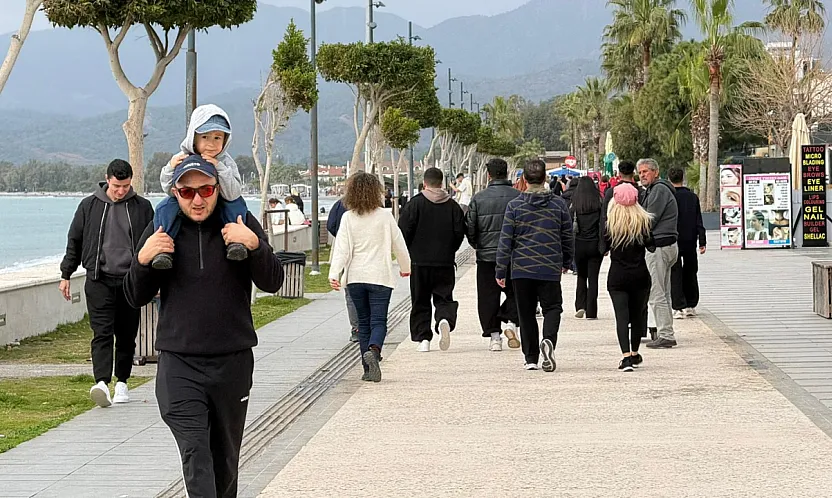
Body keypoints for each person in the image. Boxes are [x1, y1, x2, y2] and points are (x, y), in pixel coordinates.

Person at [124, 155, 284, 497]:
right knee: (196, 453)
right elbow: (134, 296)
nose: (197, 200)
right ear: (175, 192)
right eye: (187, 192)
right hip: (179, 364)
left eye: (206, 190)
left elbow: (273, 281)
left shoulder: (239, 223)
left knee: (225, 462)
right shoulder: (163, 228)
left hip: (232, 362)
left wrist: (255, 245)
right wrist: (142, 259)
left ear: (218, 189)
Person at [59, 159, 154, 408]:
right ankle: (101, 382)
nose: (121, 191)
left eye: (125, 186)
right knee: (101, 332)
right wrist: (66, 274)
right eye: (116, 186)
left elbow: (154, 243)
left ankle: (122, 382)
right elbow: (75, 241)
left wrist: (154, 278)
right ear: (107, 179)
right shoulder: (89, 206)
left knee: (126, 334)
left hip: (130, 281)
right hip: (98, 279)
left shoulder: (142, 207)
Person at [329, 172, 411, 382]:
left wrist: (334, 273)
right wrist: (405, 267)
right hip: (380, 277)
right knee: (378, 321)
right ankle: (374, 351)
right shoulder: (385, 216)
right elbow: (399, 244)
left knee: (363, 324)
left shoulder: (348, 218)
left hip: (355, 278)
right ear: (376, 192)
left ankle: (367, 370)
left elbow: (341, 250)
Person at [496, 159, 573, 372]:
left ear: (524, 179)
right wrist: (567, 261)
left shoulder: (514, 206)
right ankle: (548, 339)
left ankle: (531, 358)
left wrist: (501, 269)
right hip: (550, 265)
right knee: (553, 307)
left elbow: (505, 241)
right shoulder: (558, 204)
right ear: (545, 178)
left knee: (526, 313)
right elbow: (567, 236)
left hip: (521, 268)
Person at [154, 104, 248, 270]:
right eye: (205, 137)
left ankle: (236, 242)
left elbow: (233, 193)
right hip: (185, 206)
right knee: (164, 207)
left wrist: (220, 168)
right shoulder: (181, 158)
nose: (211, 144)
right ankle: (163, 246)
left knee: (237, 204)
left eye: (217, 138)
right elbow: (167, 189)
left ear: (225, 140)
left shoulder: (226, 162)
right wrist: (170, 167)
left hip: (222, 199)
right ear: (193, 137)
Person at [399, 167, 466, 352]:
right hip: (445, 262)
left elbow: (403, 232)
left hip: (419, 262)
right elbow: (459, 233)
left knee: (420, 300)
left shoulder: (414, 204)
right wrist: (450, 250)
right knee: (444, 297)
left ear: (424, 183)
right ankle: (444, 319)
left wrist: (408, 254)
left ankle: (423, 340)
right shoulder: (453, 206)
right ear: (442, 183)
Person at [465, 158, 521, 352]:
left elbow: (470, 228)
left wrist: (478, 245)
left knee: (488, 296)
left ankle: (494, 337)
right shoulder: (519, 197)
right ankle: (511, 322)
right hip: (514, 256)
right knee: (517, 292)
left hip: (487, 256)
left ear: (488, 175)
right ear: (506, 173)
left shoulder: (478, 199)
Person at [603, 183, 654, 372]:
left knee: (621, 317)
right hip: (640, 275)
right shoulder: (643, 223)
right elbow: (652, 246)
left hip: (617, 276)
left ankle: (625, 357)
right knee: (637, 316)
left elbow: (602, 248)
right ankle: (634, 353)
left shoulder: (611, 225)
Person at [637, 158, 679, 349]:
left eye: (645, 171)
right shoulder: (655, 190)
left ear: (656, 172)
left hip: (659, 246)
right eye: (640, 172)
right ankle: (666, 331)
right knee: (664, 292)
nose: (642, 175)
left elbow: (649, 218)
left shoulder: (659, 190)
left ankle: (666, 334)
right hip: (665, 245)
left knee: (656, 292)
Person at [668, 167, 706, 319]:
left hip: (673, 239)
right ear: (683, 178)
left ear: (669, 179)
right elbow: (698, 219)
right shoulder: (692, 197)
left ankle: (678, 306)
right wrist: (702, 240)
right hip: (690, 239)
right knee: (691, 271)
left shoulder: (669, 196)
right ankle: (691, 304)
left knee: (675, 273)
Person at [327, 197, 360, 343]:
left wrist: (340, 236)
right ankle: (372, 327)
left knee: (351, 293)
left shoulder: (340, 204)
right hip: (372, 257)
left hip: (348, 254)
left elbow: (331, 224)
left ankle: (357, 328)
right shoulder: (375, 205)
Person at [571, 176, 603, 320]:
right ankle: (592, 310)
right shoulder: (598, 205)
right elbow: (603, 226)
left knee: (581, 276)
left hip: (579, 244)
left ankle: (580, 305)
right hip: (595, 245)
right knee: (593, 278)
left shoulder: (575, 206)